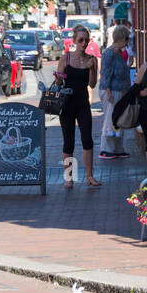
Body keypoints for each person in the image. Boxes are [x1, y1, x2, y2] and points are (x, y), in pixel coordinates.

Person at [55, 26, 101, 188]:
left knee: (87, 139)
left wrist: (91, 69)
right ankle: (69, 178)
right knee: (69, 141)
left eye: (86, 40)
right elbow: (58, 83)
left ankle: (89, 176)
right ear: (74, 41)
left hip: (82, 103)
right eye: (80, 40)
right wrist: (58, 77)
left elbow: (92, 84)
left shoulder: (92, 59)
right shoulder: (65, 59)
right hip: (67, 104)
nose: (83, 43)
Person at [98, 24, 132, 159]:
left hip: (121, 91)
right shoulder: (109, 53)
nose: (128, 41)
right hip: (111, 91)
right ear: (121, 38)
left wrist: (128, 65)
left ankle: (118, 148)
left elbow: (120, 71)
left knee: (119, 120)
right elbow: (105, 74)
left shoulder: (120, 53)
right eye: (127, 38)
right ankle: (106, 149)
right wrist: (108, 92)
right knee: (110, 120)